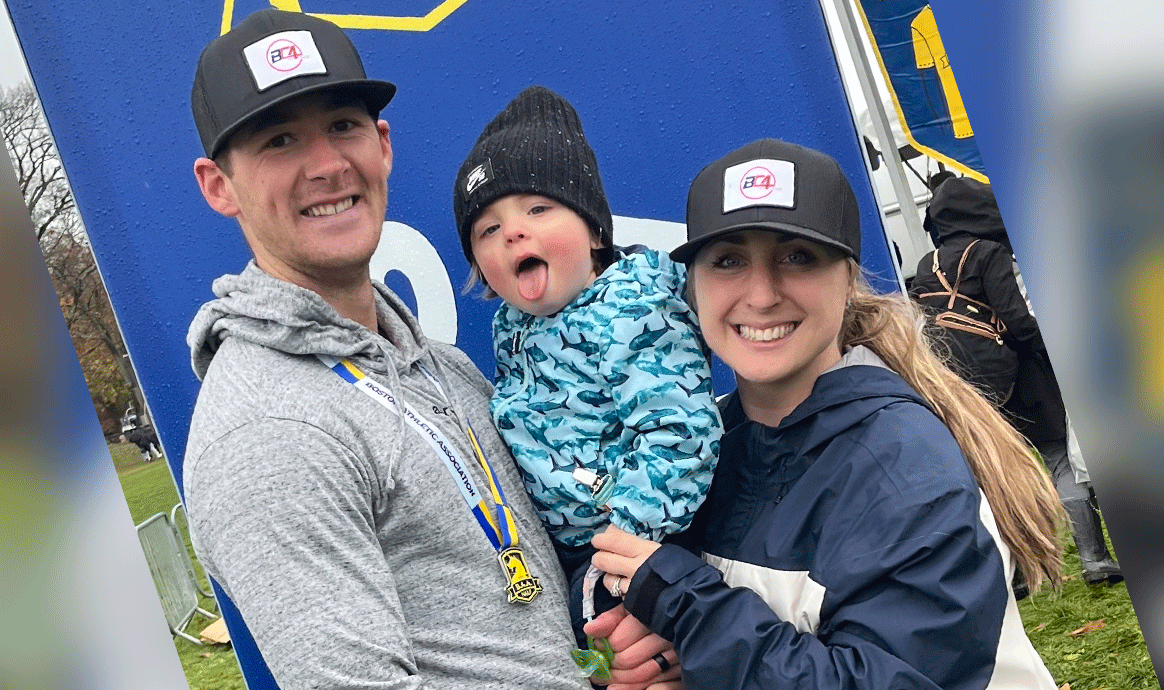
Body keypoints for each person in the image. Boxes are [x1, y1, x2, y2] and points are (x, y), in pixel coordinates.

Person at [181, 10, 641, 689]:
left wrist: (616, 642)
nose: (328, 165)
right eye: (279, 141)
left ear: (383, 144)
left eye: (343, 125)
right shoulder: (266, 433)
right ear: (219, 186)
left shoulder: (440, 367)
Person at [589, 139, 1067, 689]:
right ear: (692, 288)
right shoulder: (704, 449)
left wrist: (685, 606)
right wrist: (674, 656)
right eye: (727, 261)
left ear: (848, 277)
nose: (762, 294)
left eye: (797, 257)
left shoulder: (905, 467)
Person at [451, 85, 722, 652]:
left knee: (614, 645)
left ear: (596, 232)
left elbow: (680, 432)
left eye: (538, 209)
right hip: (562, 546)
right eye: (488, 230)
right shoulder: (513, 328)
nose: (513, 233)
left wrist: (626, 541)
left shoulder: (631, 309)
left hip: (645, 538)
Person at [912, 178, 1121, 588]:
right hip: (1020, 378)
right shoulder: (988, 253)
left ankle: (1020, 576)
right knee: (1059, 459)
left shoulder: (927, 263)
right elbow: (1017, 322)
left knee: (996, 475)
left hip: (964, 385)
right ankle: (1094, 560)